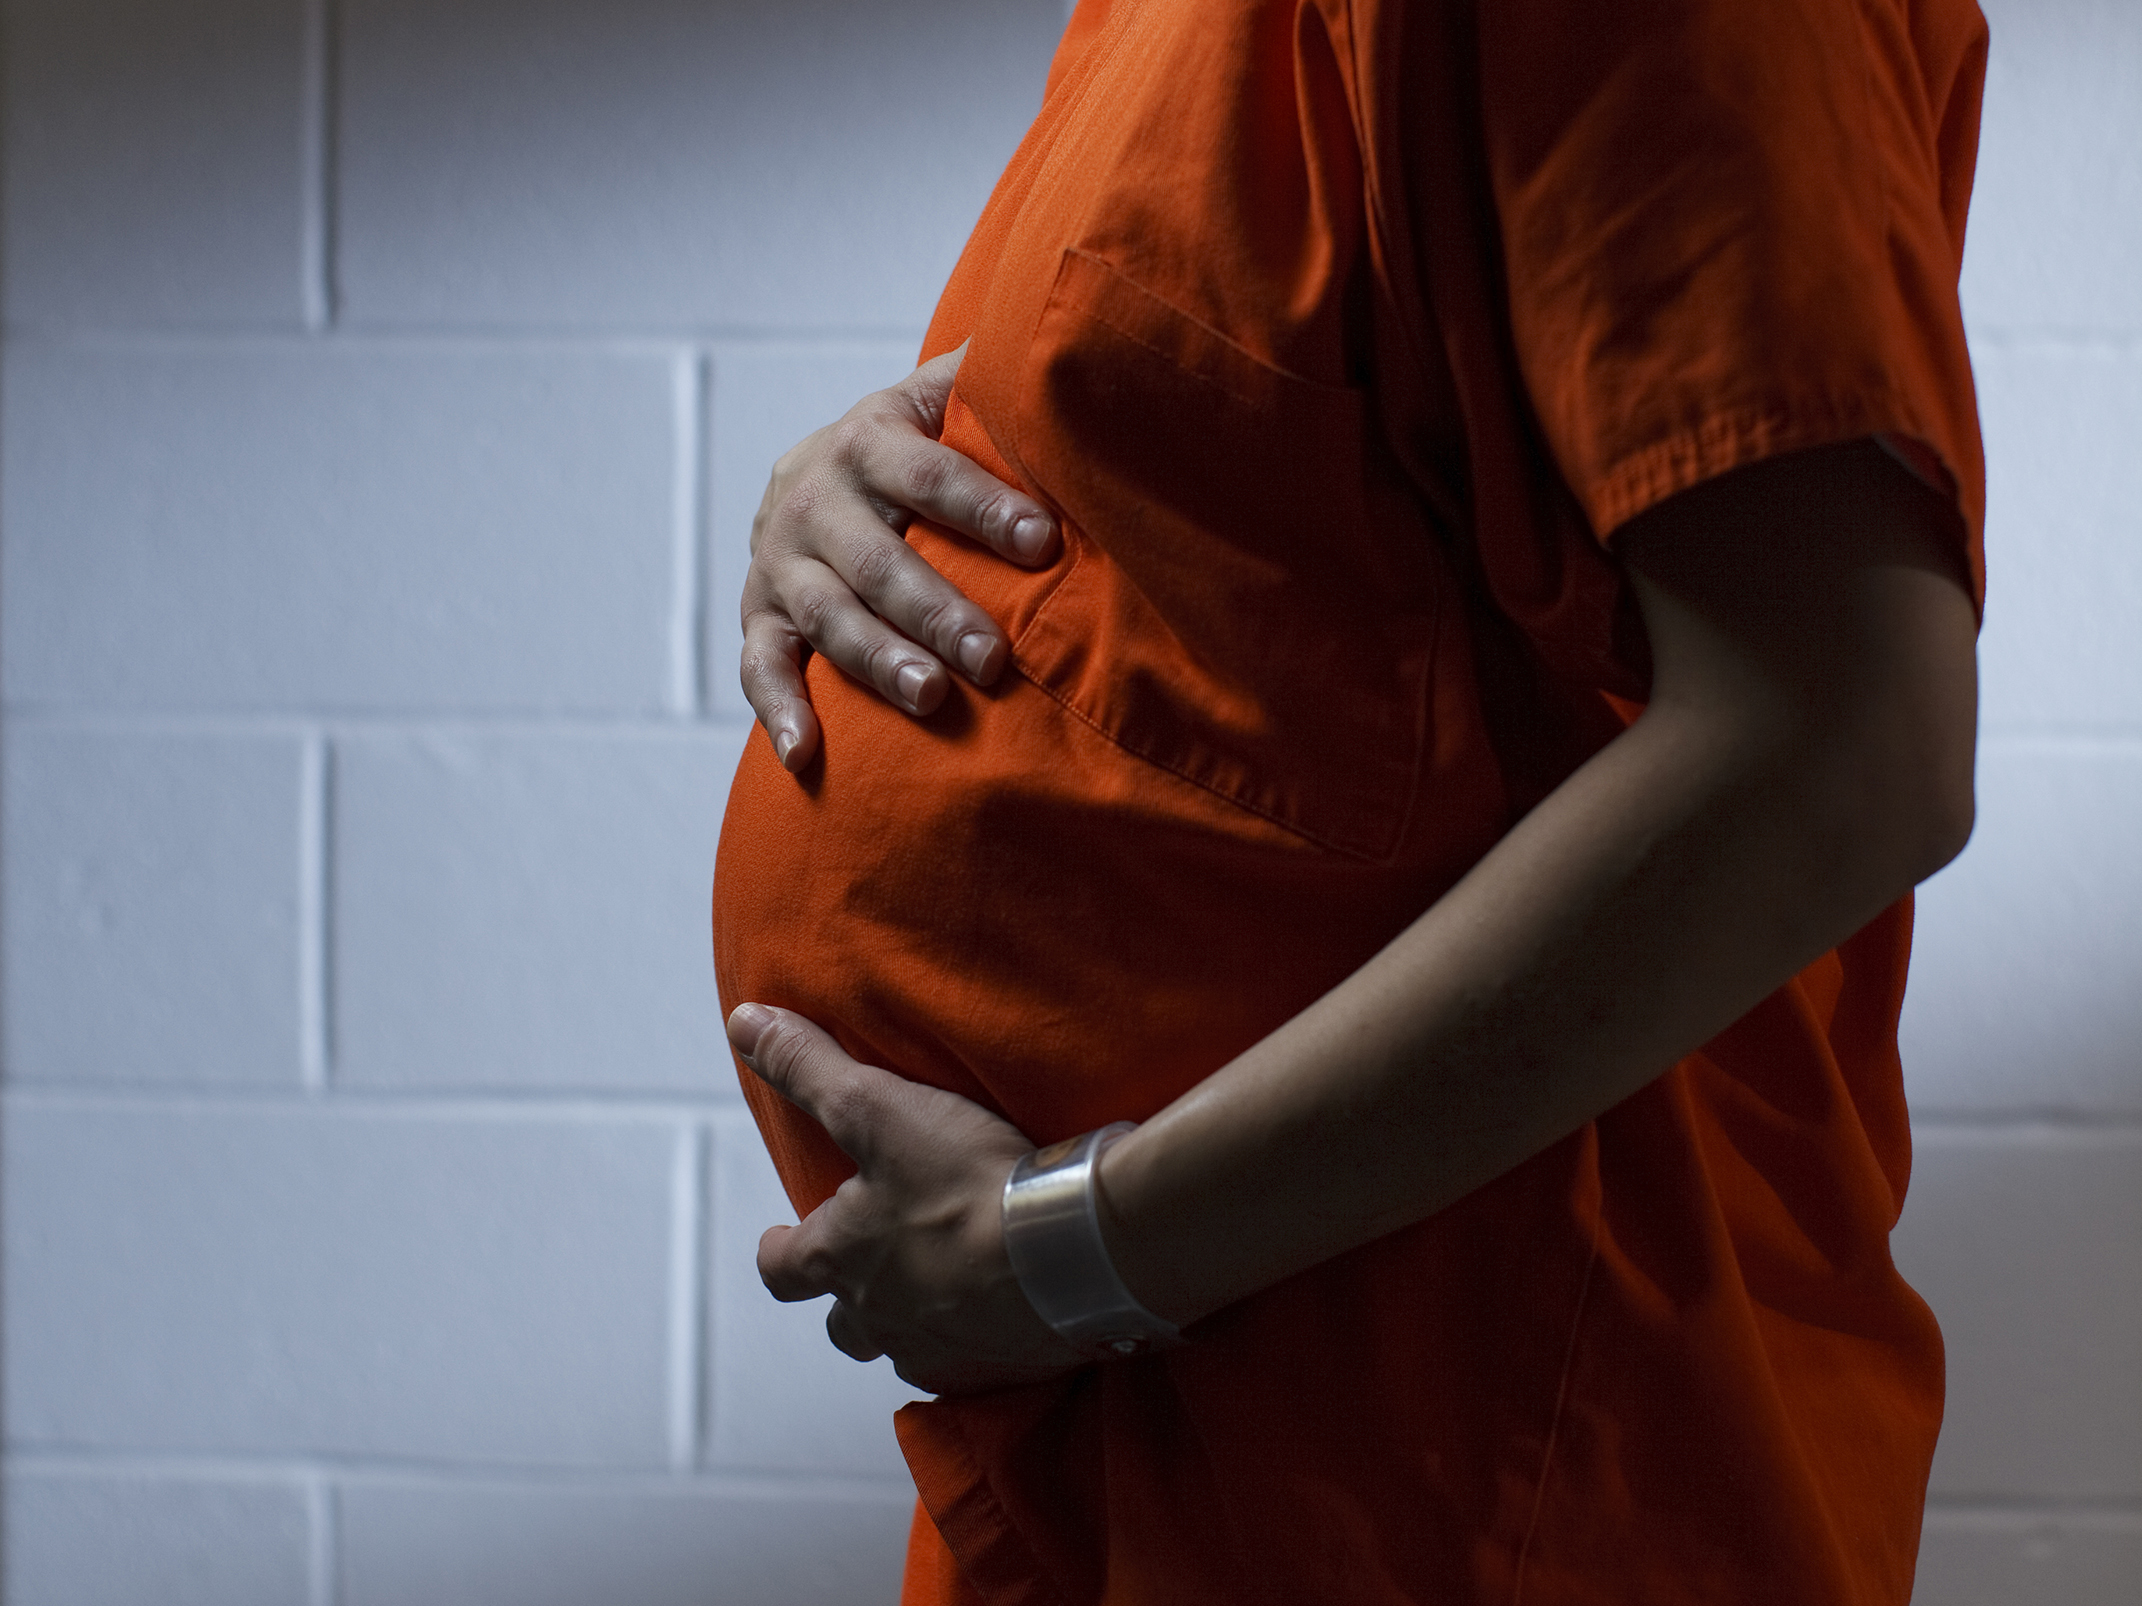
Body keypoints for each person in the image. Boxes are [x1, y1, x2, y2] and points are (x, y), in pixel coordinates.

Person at [711, 0, 1990, 1600]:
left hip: (1469, 1460)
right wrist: (862, 469)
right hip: (1155, 1429)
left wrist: (1076, 1245)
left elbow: (1840, 751)